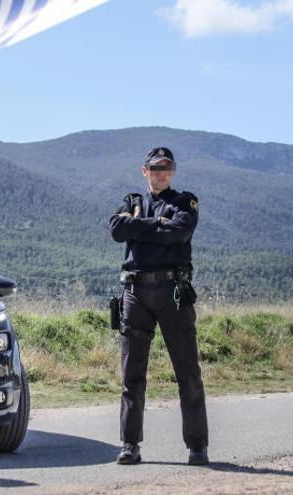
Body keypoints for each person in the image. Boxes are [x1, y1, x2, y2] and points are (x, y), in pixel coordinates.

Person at [108, 146, 209, 466]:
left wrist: (139, 228)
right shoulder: (132, 201)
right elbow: (116, 230)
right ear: (145, 171)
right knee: (131, 375)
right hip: (135, 293)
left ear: (173, 171)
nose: (161, 173)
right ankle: (129, 445)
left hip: (172, 292)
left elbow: (179, 232)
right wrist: (157, 225)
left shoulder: (184, 201)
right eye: (155, 169)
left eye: (166, 168)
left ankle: (197, 446)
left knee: (187, 371)